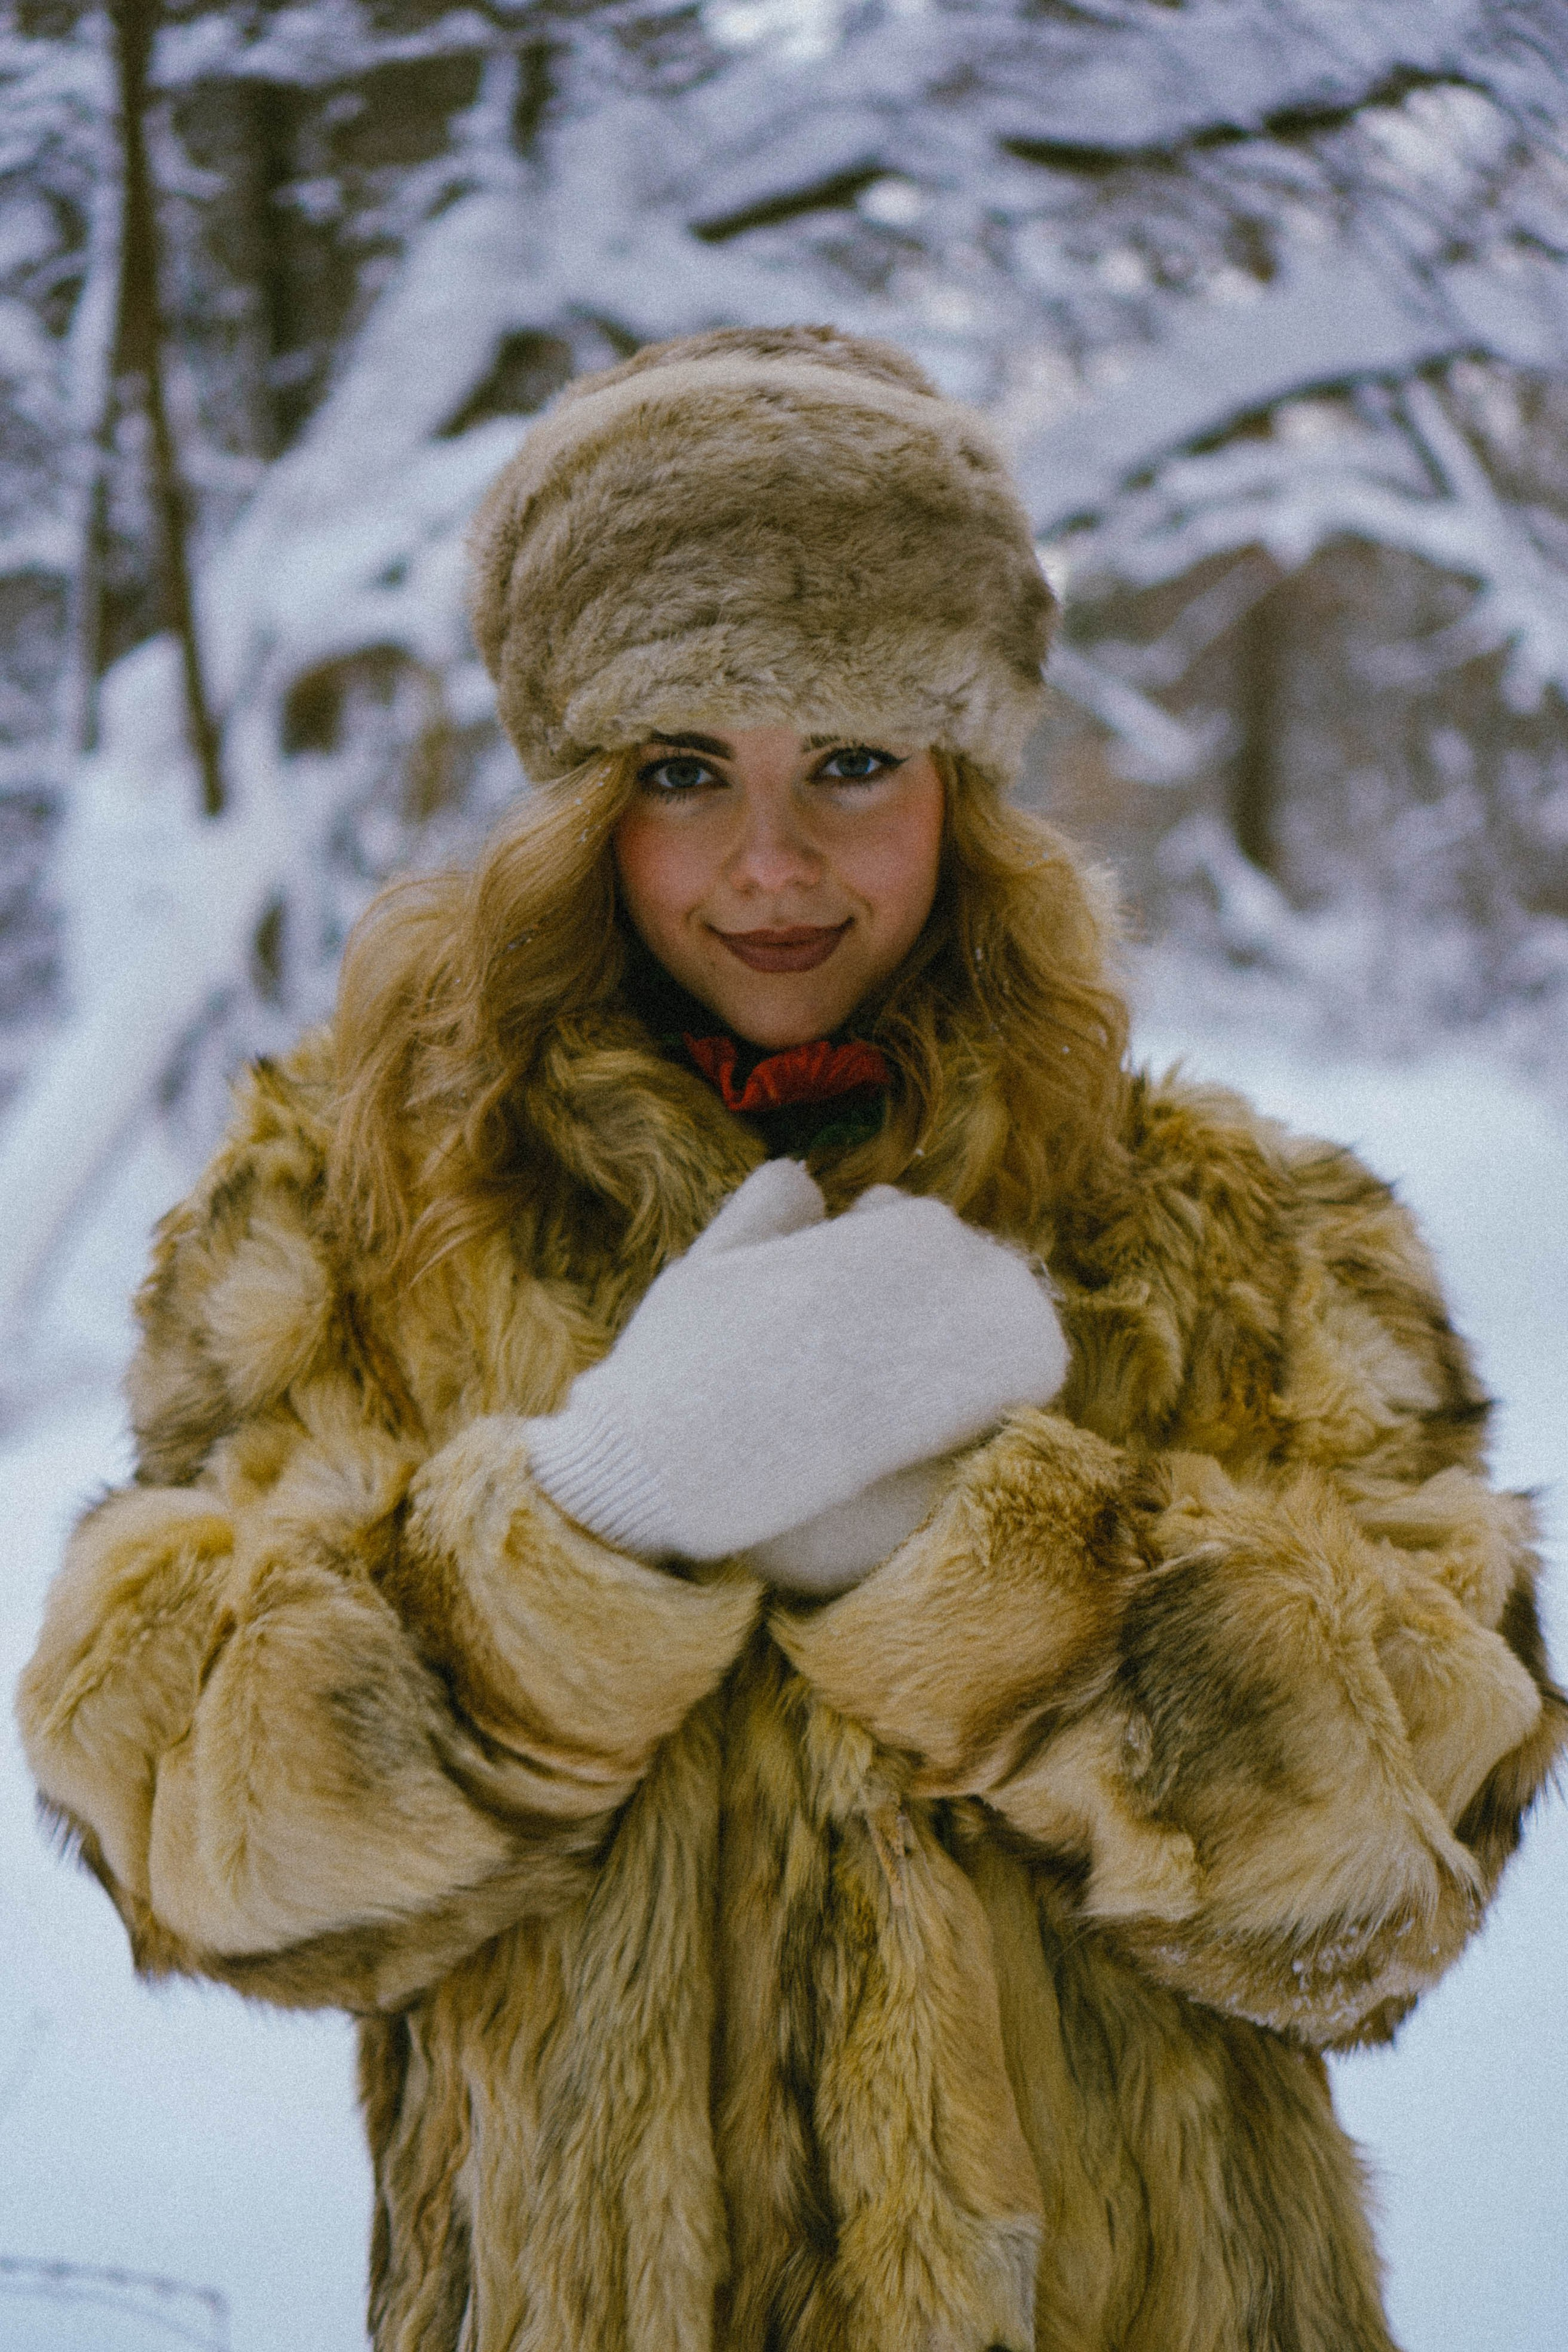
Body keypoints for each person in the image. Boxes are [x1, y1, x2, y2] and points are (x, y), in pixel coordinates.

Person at [17, 325, 1564, 2352]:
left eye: (851, 762)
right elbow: (188, 1832)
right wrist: (592, 1522)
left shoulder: (1231, 1229)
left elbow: (1395, 1885)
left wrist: (988, 1571)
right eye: (683, 772)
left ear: (964, 781)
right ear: (581, 799)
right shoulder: (351, 1218)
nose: (771, 864)